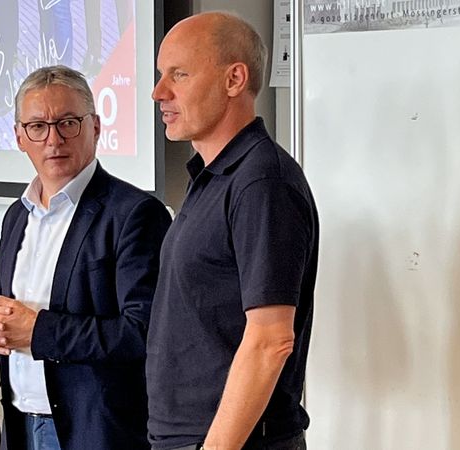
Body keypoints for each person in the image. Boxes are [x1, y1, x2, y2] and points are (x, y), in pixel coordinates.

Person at [0, 65, 171, 450]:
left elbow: (144, 333)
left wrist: (38, 332)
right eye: (38, 126)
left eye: (68, 123)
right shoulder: (17, 215)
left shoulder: (134, 214)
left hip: (96, 432)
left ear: (95, 127)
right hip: (22, 423)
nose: (54, 139)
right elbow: (10, 310)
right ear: (19, 137)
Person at [146, 12, 319, 450]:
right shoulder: (213, 176)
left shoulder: (262, 181)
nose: (159, 92)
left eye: (179, 75)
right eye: (161, 75)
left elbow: (270, 339)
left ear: (234, 79)